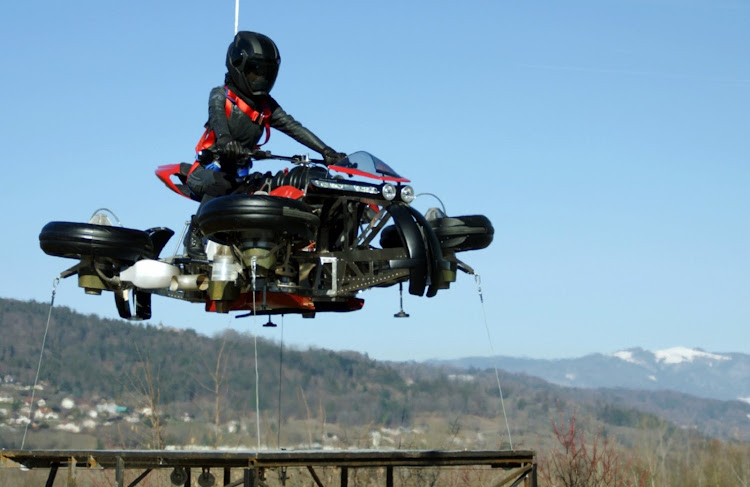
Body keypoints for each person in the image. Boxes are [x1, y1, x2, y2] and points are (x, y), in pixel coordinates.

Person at [185, 31, 346, 257]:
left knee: (265, 191)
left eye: (265, 74)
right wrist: (226, 142)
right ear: (237, 66)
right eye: (253, 73)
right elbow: (218, 123)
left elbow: (294, 127)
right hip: (207, 171)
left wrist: (326, 151)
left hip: (239, 175)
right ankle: (195, 232)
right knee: (224, 183)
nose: (259, 79)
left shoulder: (266, 106)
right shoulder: (220, 95)